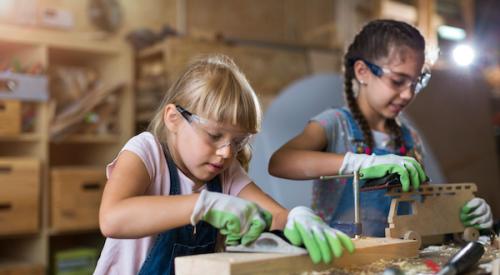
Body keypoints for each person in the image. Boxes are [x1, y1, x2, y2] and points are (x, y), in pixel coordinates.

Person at [94, 54, 354, 275]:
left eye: (239, 141)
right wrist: (204, 204)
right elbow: (112, 219)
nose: (226, 152)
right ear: (173, 118)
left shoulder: (226, 173)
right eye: (214, 135)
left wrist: (296, 218)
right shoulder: (146, 151)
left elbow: (273, 215)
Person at [268, 19, 493, 237]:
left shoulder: (408, 138)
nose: (407, 94)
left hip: (397, 256)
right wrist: (359, 162)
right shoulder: (335, 123)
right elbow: (280, 162)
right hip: (342, 256)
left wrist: (459, 213)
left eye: (415, 83)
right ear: (363, 72)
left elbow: (419, 202)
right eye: (397, 81)